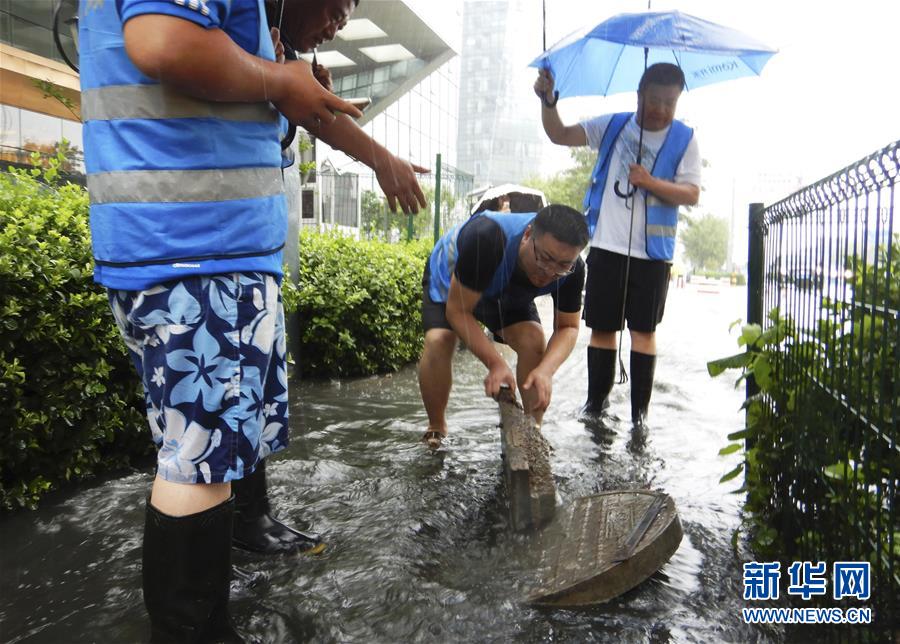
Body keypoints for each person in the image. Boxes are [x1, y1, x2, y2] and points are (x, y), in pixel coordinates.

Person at [80, 0, 426, 638]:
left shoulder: (262, 33)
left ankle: (227, 563)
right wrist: (275, 79)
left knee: (211, 442)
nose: (341, 22)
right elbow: (161, 42)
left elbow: (285, 98)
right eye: (339, 4)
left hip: (200, 246)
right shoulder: (256, 47)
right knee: (198, 458)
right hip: (197, 246)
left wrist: (375, 153)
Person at [534, 63, 701, 427]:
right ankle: (596, 406)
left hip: (652, 254)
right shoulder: (613, 125)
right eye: (654, 99)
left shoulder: (685, 138)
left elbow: (691, 193)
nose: (661, 109)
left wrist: (650, 182)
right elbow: (560, 134)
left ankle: (640, 416)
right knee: (603, 327)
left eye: (669, 102)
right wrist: (548, 101)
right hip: (607, 246)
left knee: (644, 331)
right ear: (639, 95)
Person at [418, 205, 589, 449]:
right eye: (545, 258)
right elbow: (458, 311)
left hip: (505, 287)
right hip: (453, 280)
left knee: (533, 341)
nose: (549, 272)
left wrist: (546, 371)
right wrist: (496, 364)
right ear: (528, 235)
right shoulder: (486, 238)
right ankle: (436, 428)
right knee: (439, 340)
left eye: (562, 265)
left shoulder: (574, 270)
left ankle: (532, 433)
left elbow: (568, 328)